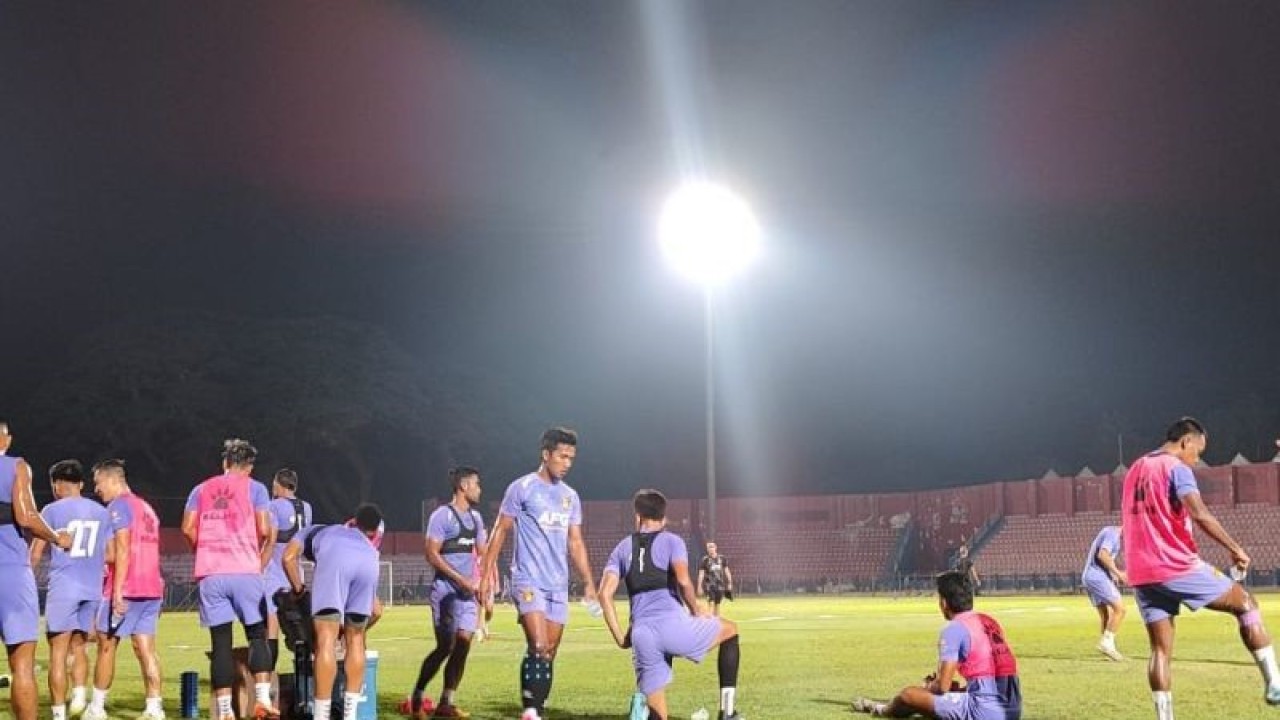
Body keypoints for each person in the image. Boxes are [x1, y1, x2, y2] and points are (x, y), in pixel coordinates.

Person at [1122, 417, 1280, 718]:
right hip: (1175, 565)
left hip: (1141, 572)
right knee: (1246, 604)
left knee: (1159, 651)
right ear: (1187, 442)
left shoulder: (1136, 468)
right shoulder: (1177, 468)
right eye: (1198, 451)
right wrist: (1235, 549)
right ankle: (1274, 684)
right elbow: (1200, 513)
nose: (1197, 459)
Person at [478, 427, 600, 720]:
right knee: (539, 644)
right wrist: (485, 575)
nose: (567, 463)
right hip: (527, 579)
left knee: (549, 652)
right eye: (562, 456)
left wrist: (588, 582)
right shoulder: (522, 488)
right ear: (546, 455)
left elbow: (575, 541)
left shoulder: (570, 497)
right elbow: (500, 529)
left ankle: (537, 707)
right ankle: (530, 711)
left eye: (572, 458)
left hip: (557, 584)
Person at [599, 489, 744, 720]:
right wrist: (697, 610)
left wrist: (619, 636)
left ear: (637, 516)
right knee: (731, 631)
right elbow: (684, 580)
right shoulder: (672, 541)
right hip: (674, 627)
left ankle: (644, 710)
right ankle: (727, 713)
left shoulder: (622, 547)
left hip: (642, 634)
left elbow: (604, 594)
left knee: (659, 715)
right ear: (664, 518)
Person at [182, 439, 277, 720]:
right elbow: (263, 527)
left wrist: (207, 548)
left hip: (212, 573)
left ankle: (224, 711)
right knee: (257, 635)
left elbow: (188, 528)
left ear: (224, 463)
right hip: (245, 569)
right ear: (249, 466)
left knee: (221, 643)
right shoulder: (255, 488)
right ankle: (261, 699)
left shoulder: (201, 489)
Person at [851, 571, 1021, 719]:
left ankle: (881, 709)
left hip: (984, 712)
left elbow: (942, 687)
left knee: (908, 695)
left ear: (944, 603)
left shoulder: (954, 629)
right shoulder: (989, 621)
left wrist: (929, 686)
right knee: (943, 696)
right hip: (1012, 710)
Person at [81, 459, 165, 720]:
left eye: (98, 483)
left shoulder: (119, 506)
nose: (97, 489)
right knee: (146, 649)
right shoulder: (147, 508)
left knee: (106, 647)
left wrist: (116, 591)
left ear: (113, 480)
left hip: (127, 588)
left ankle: (96, 708)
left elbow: (121, 550)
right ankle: (154, 708)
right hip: (151, 587)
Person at [283, 503, 384, 720]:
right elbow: (377, 610)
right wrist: (348, 631)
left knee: (325, 640)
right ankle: (350, 715)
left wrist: (299, 592)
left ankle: (321, 715)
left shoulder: (311, 531)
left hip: (336, 560)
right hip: (370, 563)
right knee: (356, 640)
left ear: (353, 522)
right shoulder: (369, 545)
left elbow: (288, 558)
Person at [0, 420, 73, 720]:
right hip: (10, 573)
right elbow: (27, 516)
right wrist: (57, 537)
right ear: (5, 440)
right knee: (22, 665)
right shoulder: (16, 466)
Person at [405, 466, 489, 719]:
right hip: (445, 592)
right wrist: (460, 578)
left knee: (464, 644)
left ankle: (446, 702)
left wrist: (484, 583)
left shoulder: (476, 519)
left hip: (467, 595)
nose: (480, 489)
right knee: (445, 646)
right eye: (476, 484)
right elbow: (431, 554)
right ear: (463, 486)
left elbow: (484, 553)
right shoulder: (442, 516)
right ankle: (418, 695)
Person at [30, 460, 111, 720]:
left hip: (64, 587)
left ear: (56, 485)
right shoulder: (101, 512)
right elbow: (109, 553)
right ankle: (78, 694)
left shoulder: (51, 510)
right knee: (80, 648)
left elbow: (35, 553)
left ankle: (58, 714)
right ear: (82, 484)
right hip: (92, 587)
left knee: (57, 653)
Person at [265, 468, 313, 672]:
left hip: (274, 572)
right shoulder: (307, 508)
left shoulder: (273, 506)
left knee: (271, 626)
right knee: (300, 628)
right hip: (295, 574)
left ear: (278, 485)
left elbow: (269, 537)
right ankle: (304, 680)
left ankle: (267, 678)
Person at [1081, 525, 1126, 661]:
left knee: (1105, 616)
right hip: (1096, 577)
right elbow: (1103, 555)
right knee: (1120, 609)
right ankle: (1107, 644)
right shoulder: (1113, 533)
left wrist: (1112, 575)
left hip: (1089, 576)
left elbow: (1104, 558)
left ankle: (1107, 649)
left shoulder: (1111, 534)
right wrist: (1119, 573)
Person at [697, 542, 734, 617]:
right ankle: (710, 621)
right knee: (711, 603)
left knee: (717, 604)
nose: (710, 549)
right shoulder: (705, 560)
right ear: (707, 549)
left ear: (715, 547)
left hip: (720, 585)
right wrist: (699, 586)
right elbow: (701, 574)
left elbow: (727, 571)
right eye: (709, 547)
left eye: (712, 547)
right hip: (709, 585)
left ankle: (716, 620)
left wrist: (730, 583)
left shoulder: (722, 558)